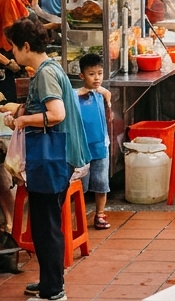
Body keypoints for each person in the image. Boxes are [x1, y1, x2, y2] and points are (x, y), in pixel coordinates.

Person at [8, 18, 86, 301]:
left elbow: (56, 114)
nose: (12, 54)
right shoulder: (48, 68)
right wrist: (21, 112)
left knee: (46, 225)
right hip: (56, 156)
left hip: (53, 156)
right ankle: (48, 282)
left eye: (14, 48)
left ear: (26, 46)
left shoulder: (44, 73)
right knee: (45, 223)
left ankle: (53, 291)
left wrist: (23, 121)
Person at [76, 54, 112, 230]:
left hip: (100, 146)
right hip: (82, 149)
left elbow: (108, 95)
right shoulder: (75, 97)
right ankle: (80, 216)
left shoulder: (101, 94)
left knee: (101, 183)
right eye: (91, 74)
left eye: (100, 73)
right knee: (80, 185)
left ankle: (100, 214)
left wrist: (103, 91)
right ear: (81, 76)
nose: (97, 78)